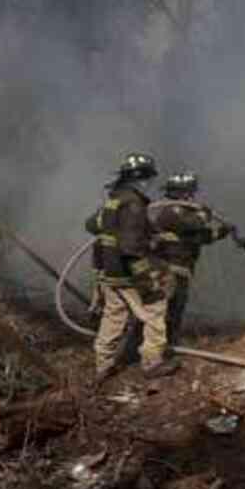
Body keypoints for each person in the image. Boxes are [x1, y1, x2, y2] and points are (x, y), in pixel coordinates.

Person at [84, 151, 175, 385]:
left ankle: (102, 367)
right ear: (140, 178)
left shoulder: (114, 199)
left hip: (109, 272)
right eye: (148, 179)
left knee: (113, 317)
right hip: (127, 273)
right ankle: (152, 363)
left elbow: (92, 225)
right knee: (156, 308)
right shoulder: (134, 203)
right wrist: (148, 281)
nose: (150, 183)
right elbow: (130, 248)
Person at [146, 172, 234, 348]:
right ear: (181, 193)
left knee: (175, 310)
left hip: (180, 270)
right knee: (162, 311)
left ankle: (168, 345)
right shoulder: (171, 211)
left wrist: (222, 232)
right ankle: (153, 350)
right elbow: (193, 224)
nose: (192, 196)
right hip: (168, 270)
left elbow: (196, 237)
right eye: (189, 192)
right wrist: (205, 214)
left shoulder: (183, 213)